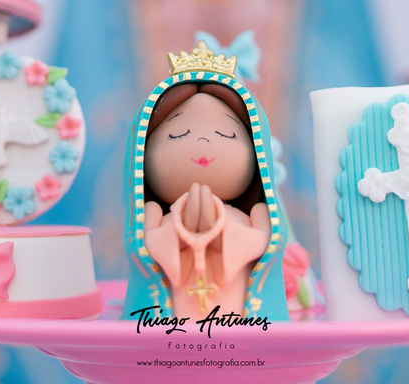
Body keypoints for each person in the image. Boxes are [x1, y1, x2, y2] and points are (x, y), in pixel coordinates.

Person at [122, 42, 290, 322]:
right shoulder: (152, 215)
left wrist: (219, 230)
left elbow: (263, 244)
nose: (202, 141)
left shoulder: (258, 214)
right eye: (177, 134)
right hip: (168, 324)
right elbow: (147, 249)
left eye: (227, 135)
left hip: (238, 320)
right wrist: (180, 230)